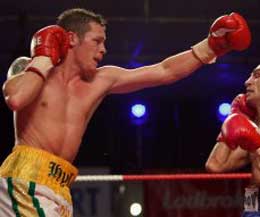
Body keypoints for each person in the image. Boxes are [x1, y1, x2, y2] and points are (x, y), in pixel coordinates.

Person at [0, 8, 251, 217]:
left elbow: (164, 71)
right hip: (26, 179)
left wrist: (211, 47)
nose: (104, 49)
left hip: (60, 186)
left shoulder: (101, 79)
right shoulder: (32, 72)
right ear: (71, 39)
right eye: (97, 41)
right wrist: (43, 58)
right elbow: (17, 98)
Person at [206, 64, 260, 217]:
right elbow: (215, 165)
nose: (247, 82)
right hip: (254, 206)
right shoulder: (254, 129)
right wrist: (234, 116)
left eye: (257, 75)